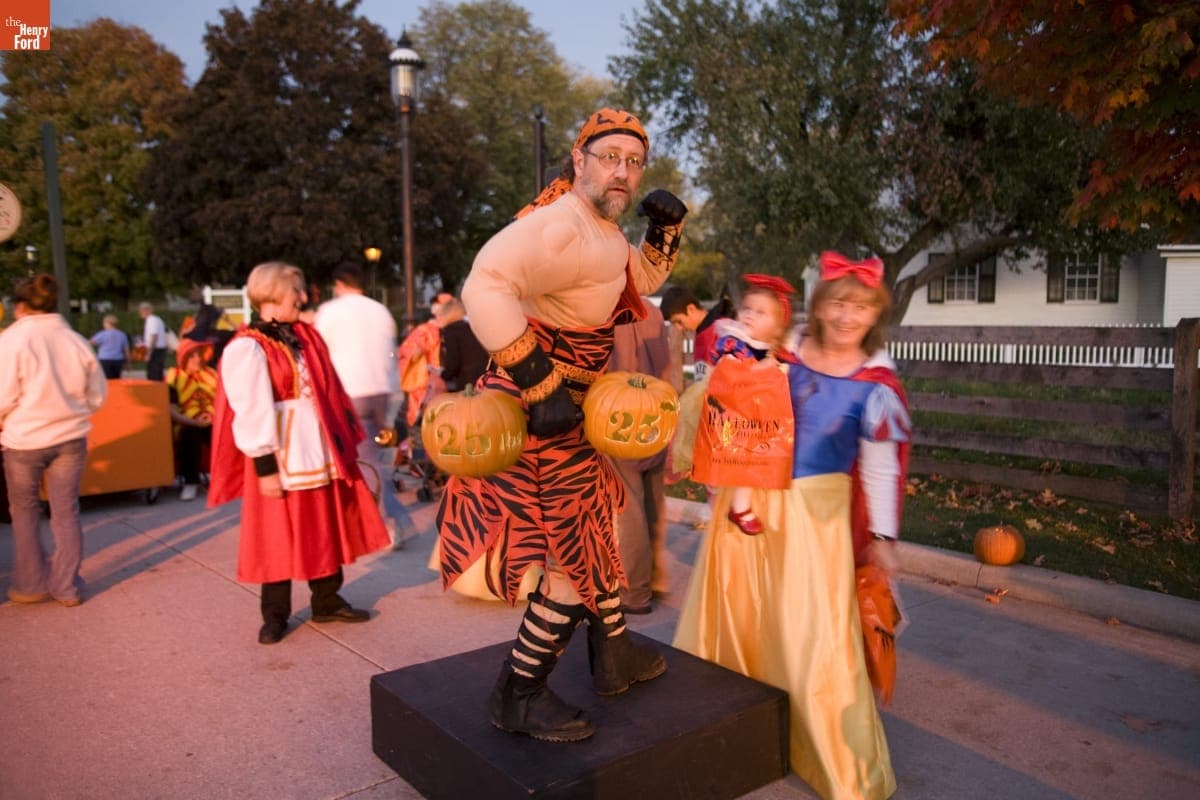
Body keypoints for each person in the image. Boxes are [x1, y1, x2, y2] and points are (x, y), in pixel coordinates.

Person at [437, 107, 687, 743]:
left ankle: (614, 654)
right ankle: (519, 693)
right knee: (573, 562)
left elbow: (631, 280)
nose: (622, 172)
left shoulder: (598, 231)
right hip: (537, 417)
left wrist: (663, 232)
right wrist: (541, 383)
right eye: (609, 157)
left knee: (596, 537)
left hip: (568, 415)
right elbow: (484, 286)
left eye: (633, 162)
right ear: (579, 160)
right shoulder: (559, 226)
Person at [673, 251, 911, 800]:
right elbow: (733, 398)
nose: (847, 316)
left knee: (814, 634)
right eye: (838, 303)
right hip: (751, 504)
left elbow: (880, 468)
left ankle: (833, 758)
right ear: (818, 307)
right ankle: (734, 733)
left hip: (815, 521)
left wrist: (882, 536)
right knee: (743, 613)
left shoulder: (876, 384)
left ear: (875, 314)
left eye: (861, 307)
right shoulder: (784, 348)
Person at [208, 261, 391, 645]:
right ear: (274, 294)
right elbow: (250, 409)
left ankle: (327, 600)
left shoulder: (305, 337)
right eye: (296, 291)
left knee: (321, 525)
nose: (303, 297)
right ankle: (274, 614)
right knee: (276, 533)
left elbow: (329, 390)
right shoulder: (247, 347)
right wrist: (265, 467)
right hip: (279, 455)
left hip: (317, 451)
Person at [0, 274, 108, 606]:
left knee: (25, 511)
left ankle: (32, 583)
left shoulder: (12, 340)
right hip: (70, 437)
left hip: (24, 439)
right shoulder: (75, 340)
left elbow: (2, 395)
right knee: (66, 511)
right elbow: (97, 395)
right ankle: (66, 586)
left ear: (20, 306)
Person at [315, 261, 413, 548]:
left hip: (348, 391)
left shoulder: (330, 312)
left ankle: (388, 522)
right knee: (371, 457)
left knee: (358, 461)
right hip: (380, 391)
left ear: (339, 284)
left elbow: (320, 353)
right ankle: (383, 518)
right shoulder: (380, 310)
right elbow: (391, 354)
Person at [704, 274, 796, 535]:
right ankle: (729, 502)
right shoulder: (732, 341)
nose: (750, 316)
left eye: (760, 313)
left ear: (778, 326)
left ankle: (738, 504)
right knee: (732, 456)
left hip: (756, 414)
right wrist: (766, 367)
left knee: (754, 457)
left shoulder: (774, 349)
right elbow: (730, 374)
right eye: (746, 309)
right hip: (728, 409)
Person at [609, 300, 678, 614]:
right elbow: (668, 365)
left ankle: (635, 591)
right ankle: (655, 579)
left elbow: (618, 365)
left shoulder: (607, 310)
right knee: (653, 500)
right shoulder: (652, 309)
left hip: (619, 415)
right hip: (657, 409)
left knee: (629, 505)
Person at [166, 338, 217, 501]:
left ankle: (223, 479)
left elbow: (224, 401)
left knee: (222, 434)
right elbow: (171, 410)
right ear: (184, 358)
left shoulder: (212, 374)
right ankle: (191, 482)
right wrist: (194, 422)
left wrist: (214, 418)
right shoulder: (174, 376)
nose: (198, 359)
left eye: (200, 354)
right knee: (190, 434)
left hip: (213, 419)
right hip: (186, 422)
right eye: (192, 356)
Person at [660, 285, 735, 381]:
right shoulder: (700, 334)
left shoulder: (723, 331)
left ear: (691, 309)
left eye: (679, 321)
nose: (678, 328)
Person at [436, 296, 489, 393]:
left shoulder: (450, 331)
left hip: (467, 383)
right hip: (484, 378)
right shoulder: (471, 327)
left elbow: (453, 363)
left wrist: (442, 373)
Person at [90, 314, 130, 379]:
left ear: (108, 323)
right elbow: (126, 350)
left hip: (105, 359)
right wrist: (128, 363)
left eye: (104, 323)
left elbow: (90, 343)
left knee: (106, 379)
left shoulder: (102, 334)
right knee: (116, 379)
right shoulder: (122, 335)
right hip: (118, 360)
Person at [139, 302, 169, 381]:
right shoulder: (156, 319)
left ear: (147, 310)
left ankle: (155, 388)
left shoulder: (152, 320)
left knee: (153, 374)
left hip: (155, 350)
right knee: (157, 373)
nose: (140, 313)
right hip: (158, 350)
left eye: (141, 310)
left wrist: (149, 353)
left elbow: (154, 336)